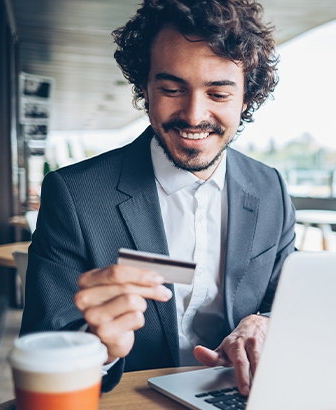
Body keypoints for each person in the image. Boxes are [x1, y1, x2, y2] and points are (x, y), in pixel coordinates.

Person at [20, 0, 296, 395]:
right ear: (144, 88)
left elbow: (287, 301)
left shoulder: (271, 189)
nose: (194, 115)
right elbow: (42, 348)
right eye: (171, 89)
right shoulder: (75, 195)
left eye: (218, 94)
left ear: (246, 98)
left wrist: (265, 322)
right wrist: (98, 348)